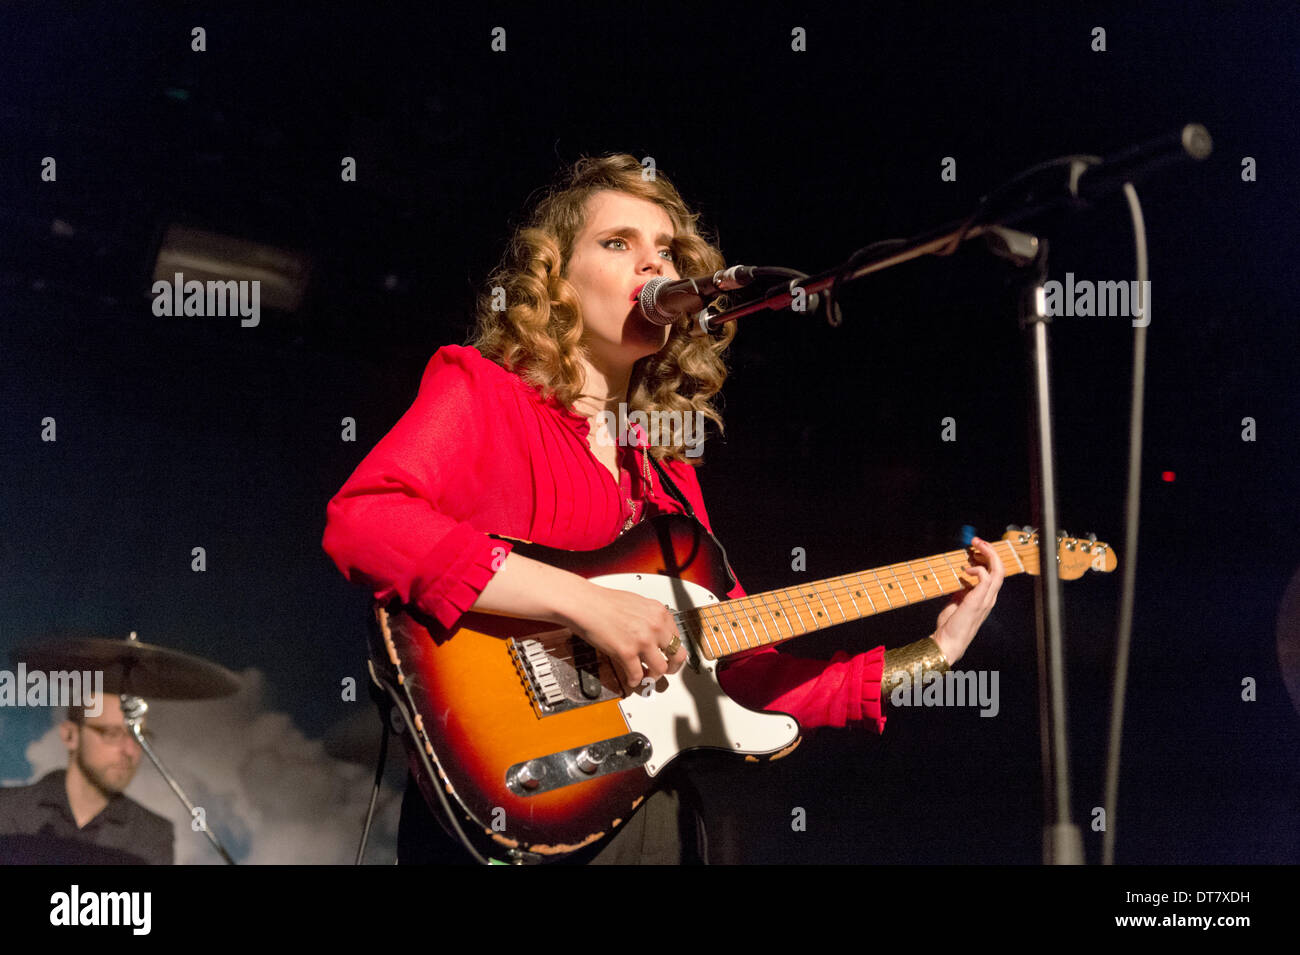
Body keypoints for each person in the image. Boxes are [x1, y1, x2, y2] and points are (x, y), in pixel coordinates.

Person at [322, 153, 1004, 863]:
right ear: (554, 276)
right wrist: (582, 603)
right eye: (618, 243)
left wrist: (936, 650)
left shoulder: (666, 470)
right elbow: (367, 519)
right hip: (511, 794)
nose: (655, 267)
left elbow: (742, 673)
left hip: (650, 815)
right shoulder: (486, 393)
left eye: (668, 251)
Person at [0, 694, 174, 864]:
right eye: (112, 734)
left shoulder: (153, 834)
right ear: (70, 735)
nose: (130, 751)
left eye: (139, 737)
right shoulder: (6, 808)